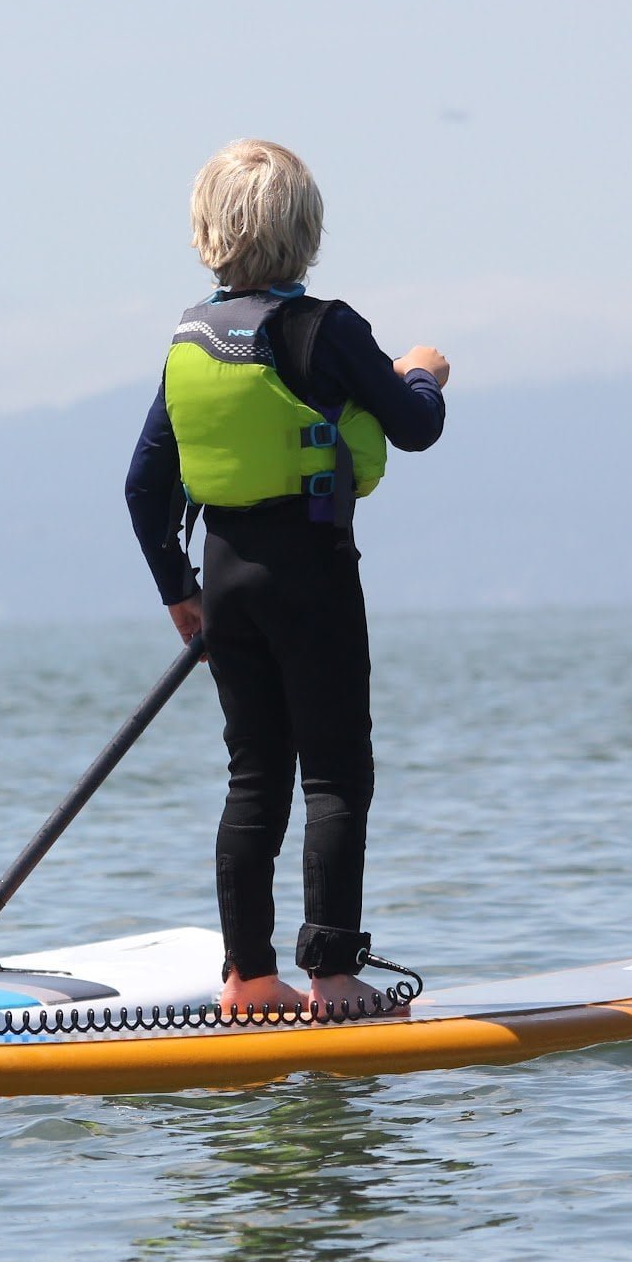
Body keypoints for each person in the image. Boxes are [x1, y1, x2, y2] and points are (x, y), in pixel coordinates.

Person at [124, 140, 450, 1017]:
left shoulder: (189, 339)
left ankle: (247, 980)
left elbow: (144, 485)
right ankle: (334, 980)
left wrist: (177, 590)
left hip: (224, 575)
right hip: (310, 570)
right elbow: (412, 427)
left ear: (207, 235)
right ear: (307, 233)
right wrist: (425, 372)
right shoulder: (327, 328)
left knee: (254, 777)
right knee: (336, 775)